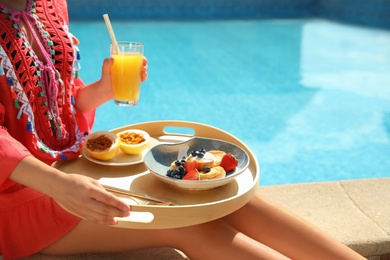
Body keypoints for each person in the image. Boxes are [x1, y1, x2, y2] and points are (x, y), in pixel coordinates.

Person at [0, 0, 365, 259]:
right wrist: (60, 186)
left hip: (66, 169)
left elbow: (50, 104)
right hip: (17, 196)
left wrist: (102, 90)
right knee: (190, 224)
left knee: (211, 195)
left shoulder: (50, 4)